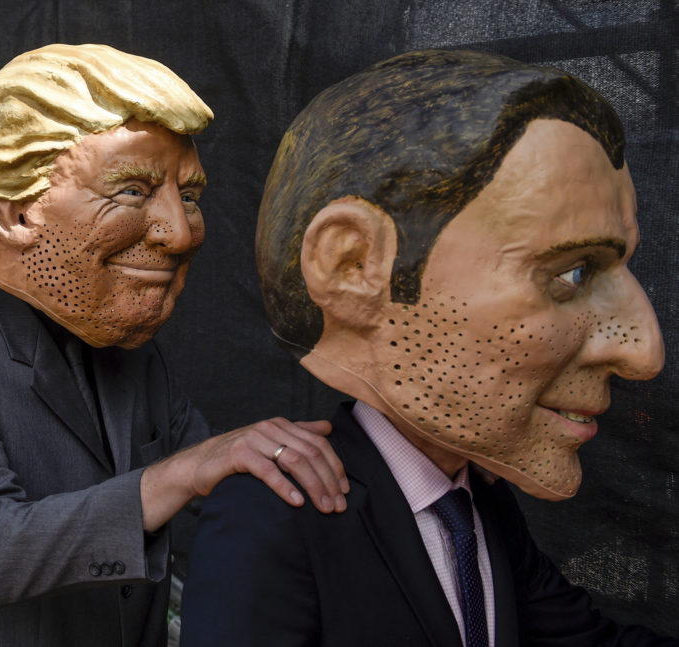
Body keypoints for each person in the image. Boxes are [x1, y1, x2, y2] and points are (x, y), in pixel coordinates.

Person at [181, 49, 676, 646]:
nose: (644, 352)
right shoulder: (271, 517)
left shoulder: (480, 502)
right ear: (353, 263)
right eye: (571, 273)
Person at [0, 43, 349, 647]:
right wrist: (181, 472)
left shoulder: (139, 361)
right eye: (132, 191)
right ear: (16, 214)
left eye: (187, 196)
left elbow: (219, 499)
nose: (179, 232)